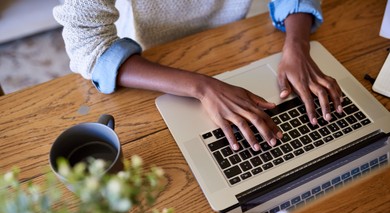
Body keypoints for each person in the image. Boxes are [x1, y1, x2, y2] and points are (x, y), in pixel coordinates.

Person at [53, 0, 343, 152]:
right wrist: (203, 87)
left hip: (232, 39)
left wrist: (297, 45)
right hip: (151, 63)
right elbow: (87, 44)